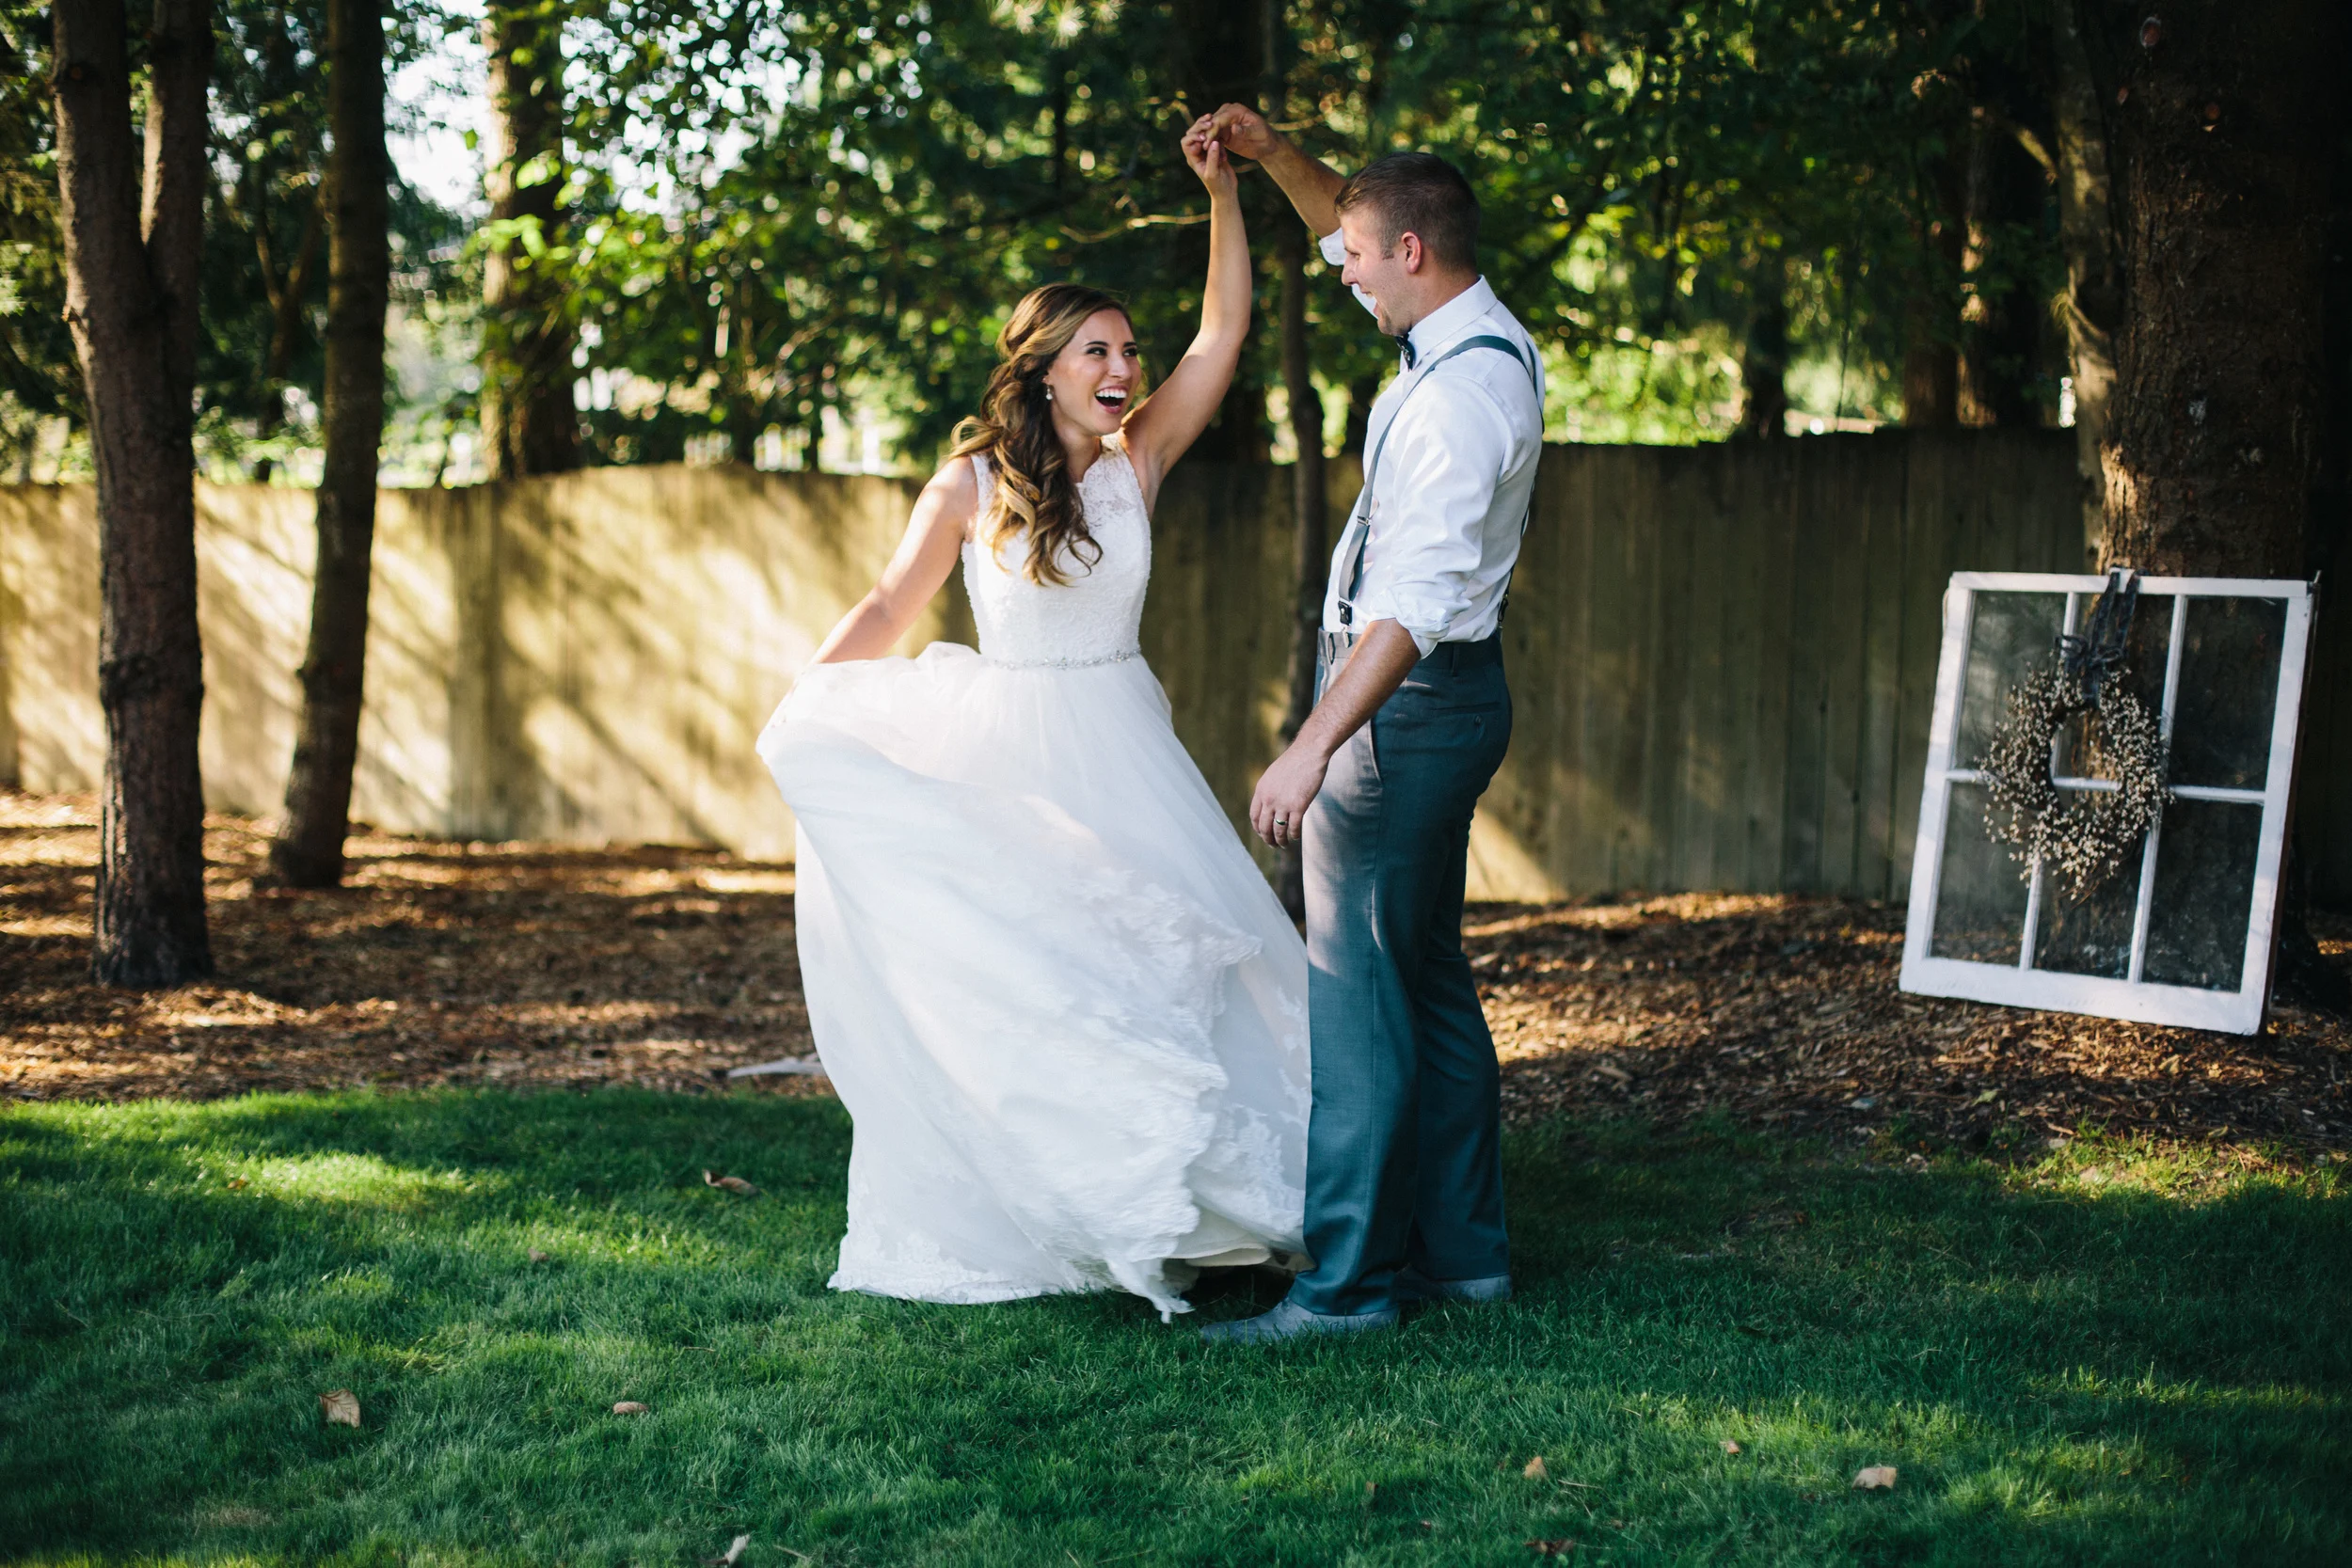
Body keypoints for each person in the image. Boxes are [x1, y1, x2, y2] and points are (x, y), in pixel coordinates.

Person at [755, 118, 1307, 1322]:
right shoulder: (966, 482)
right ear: (1045, 365)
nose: (1122, 367)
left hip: (1125, 740)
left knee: (1182, 963)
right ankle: (1071, 1201)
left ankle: (1213, 1214)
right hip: (1011, 751)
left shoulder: (1140, 457)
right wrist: (805, 696)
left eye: (1127, 349)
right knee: (1045, 982)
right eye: (1098, 350)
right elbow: (890, 602)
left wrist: (1225, 192)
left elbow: (1224, 334)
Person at [1198, 107, 1546, 1344]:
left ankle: (1344, 1287)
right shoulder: (1468, 333)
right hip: (1445, 702)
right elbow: (1355, 223)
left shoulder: (1458, 402)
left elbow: (1412, 606)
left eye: (1355, 252)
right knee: (1428, 976)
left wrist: (1315, 741)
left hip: (1400, 707)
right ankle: (1465, 1259)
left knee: (1355, 992)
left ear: (1411, 251)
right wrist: (1274, 156)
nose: (1338, 268)